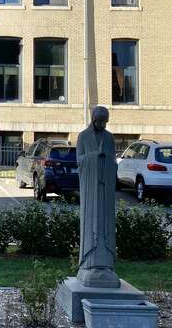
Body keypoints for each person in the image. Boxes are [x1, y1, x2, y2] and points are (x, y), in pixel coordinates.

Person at [76, 105, 120, 288]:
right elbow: (80, 161)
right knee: (91, 223)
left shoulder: (109, 138)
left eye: (105, 122)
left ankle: (106, 265)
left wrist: (107, 161)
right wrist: (96, 157)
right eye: (99, 121)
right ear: (93, 120)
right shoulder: (83, 137)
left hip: (105, 191)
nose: (102, 124)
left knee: (105, 224)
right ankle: (90, 263)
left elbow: (114, 163)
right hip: (91, 191)